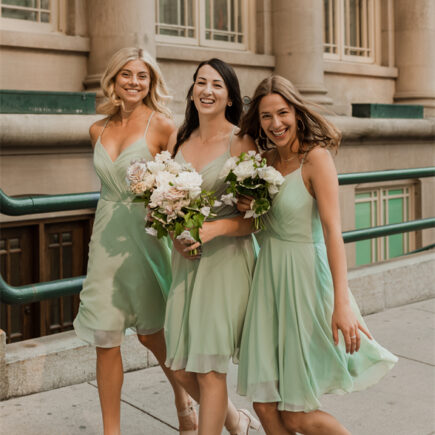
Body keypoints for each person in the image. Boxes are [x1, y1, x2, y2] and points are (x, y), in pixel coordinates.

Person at [236, 75, 398, 435]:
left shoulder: (316, 159)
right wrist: (246, 204)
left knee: (295, 413)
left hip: (306, 280)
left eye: (282, 113)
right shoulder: (262, 164)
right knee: (263, 403)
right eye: (266, 116)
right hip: (269, 279)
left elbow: (332, 233)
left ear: (296, 112)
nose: (275, 123)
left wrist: (341, 303)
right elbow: (258, 222)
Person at [73, 47, 197, 435]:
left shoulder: (161, 125)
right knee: (105, 336)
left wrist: (184, 233)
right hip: (106, 234)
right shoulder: (97, 129)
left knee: (152, 333)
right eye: (127, 74)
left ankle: (185, 398)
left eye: (142, 76)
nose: (134, 82)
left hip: (145, 237)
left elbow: (180, 187)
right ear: (114, 79)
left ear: (151, 83)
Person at [164, 58, 261, 435]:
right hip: (185, 262)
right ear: (191, 91)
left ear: (231, 97)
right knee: (179, 366)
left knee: (208, 368)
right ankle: (236, 422)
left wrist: (214, 229)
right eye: (200, 82)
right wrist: (176, 236)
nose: (207, 90)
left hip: (225, 262)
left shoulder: (240, 141)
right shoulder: (180, 139)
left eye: (217, 84)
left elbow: (255, 220)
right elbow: (166, 206)